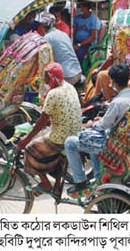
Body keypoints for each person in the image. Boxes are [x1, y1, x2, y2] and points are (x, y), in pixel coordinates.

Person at [17, 63, 82, 196]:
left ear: (52, 77)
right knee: (57, 152)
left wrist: (27, 139)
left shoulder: (53, 93)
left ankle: (45, 183)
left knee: (30, 149)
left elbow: (42, 120)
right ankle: (57, 187)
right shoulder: (70, 87)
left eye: (46, 76)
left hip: (60, 136)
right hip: (75, 132)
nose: (44, 79)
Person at [39, 13, 83, 85]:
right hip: (78, 71)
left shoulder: (47, 38)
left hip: (67, 76)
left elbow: (45, 61)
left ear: (43, 27)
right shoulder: (63, 34)